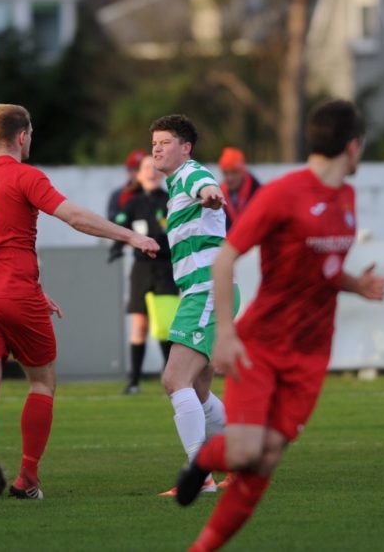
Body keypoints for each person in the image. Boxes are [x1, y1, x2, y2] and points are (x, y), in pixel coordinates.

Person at [175, 99, 384, 551]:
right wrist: (227, 335)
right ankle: (204, 462)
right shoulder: (282, 194)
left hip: (310, 354)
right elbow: (226, 257)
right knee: (248, 449)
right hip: (263, 345)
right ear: (353, 147)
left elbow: (324, 269)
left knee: (266, 457)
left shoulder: (346, 198)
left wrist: (355, 284)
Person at [0, 104, 160, 500]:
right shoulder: (25, 176)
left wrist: (35, 288)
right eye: (30, 133)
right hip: (15, 293)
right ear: (21, 136)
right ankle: (27, 477)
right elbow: (75, 217)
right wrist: (131, 237)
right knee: (43, 381)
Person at [149, 114, 238, 497]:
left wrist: (210, 194)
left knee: (174, 380)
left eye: (165, 141)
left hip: (205, 290)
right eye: (154, 142)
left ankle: (200, 474)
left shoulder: (189, 173)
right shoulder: (175, 184)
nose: (157, 147)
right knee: (197, 392)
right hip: (203, 291)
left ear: (185, 148)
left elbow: (205, 185)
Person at [109, 154, 179, 394]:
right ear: (138, 174)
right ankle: (134, 382)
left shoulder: (170, 201)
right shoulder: (133, 203)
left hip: (165, 268)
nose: (150, 172)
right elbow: (121, 228)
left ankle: (171, 376)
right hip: (141, 269)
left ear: (160, 172)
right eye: (145, 168)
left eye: (154, 167)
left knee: (165, 325)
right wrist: (117, 248)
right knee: (139, 324)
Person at [217, 147, 261, 231]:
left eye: (234, 172)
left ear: (242, 172)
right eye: (226, 173)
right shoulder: (219, 195)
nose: (230, 178)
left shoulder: (258, 192)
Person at [107, 149, 147, 222]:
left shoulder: (157, 195)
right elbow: (112, 221)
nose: (138, 173)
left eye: (141, 169)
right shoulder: (118, 195)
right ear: (128, 171)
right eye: (135, 169)